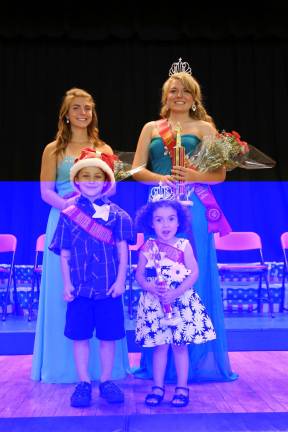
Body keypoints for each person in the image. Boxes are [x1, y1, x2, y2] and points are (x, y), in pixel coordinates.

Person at [132, 59, 238, 383]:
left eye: (185, 91)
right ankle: (159, 360)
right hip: (160, 206)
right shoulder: (151, 128)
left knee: (195, 270)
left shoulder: (206, 129)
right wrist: (160, 179)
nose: (179, 96)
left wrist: (193, 174)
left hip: (193, 206)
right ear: (166, 97)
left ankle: (197, 358)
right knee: (159, 273)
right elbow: (136, 169)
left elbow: (219, 175)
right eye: (173, 91)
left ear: (194, 97)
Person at [31, 88, 131, 383]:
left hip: (100, 221)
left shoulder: (105, 148)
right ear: (66, 114)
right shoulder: (53, 150)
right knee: (68, 293)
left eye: (87, 108)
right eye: (76, 108)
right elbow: (45, 191)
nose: (83, 113)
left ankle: (105, 374)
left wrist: (92, 201)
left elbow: (111, 188)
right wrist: (71, 207)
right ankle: (64, 369)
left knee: (104, 291)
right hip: (65, 220)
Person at [49, 148, 133, 407]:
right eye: (86, 175)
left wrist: (120, 282)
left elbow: (122, 251)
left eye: (98, 175)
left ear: (107, 180)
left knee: (108, 338)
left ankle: (106, 381)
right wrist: (67, 285)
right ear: (76, 180)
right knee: (80, 337)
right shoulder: (68, 213)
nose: (92, 180)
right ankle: (83, 382)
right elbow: (63, 254)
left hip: (109, 289)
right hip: (80, 291)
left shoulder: (118, 215)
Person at [135, 192, 216, 407]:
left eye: (171, 218)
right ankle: (158, 386)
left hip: (180, 302)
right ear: (151, 223)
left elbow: (194, 273)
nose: (165, 224)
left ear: (179, 220)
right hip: (155, 303)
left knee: (180, 346)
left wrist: (176, 292)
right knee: (160, 347)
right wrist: (149, 287)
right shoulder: (148, 246)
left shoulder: (184, 245)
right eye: (159, 219)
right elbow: (139, 275)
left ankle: (182, 387)